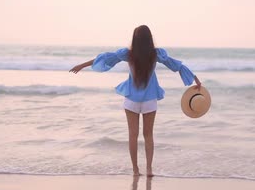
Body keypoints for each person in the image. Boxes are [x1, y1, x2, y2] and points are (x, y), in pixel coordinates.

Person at [69, 25, 201, 177]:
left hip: (131, 99)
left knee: (133, 135)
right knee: (148, 135)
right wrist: (195, 80)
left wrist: (82, 65)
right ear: (149, 38)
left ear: (135, 38)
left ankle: (135, 170)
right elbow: (177, 66)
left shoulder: (128, 54)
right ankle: (149, 169)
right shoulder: (156, 54)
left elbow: (104, 58)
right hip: (150, 99)